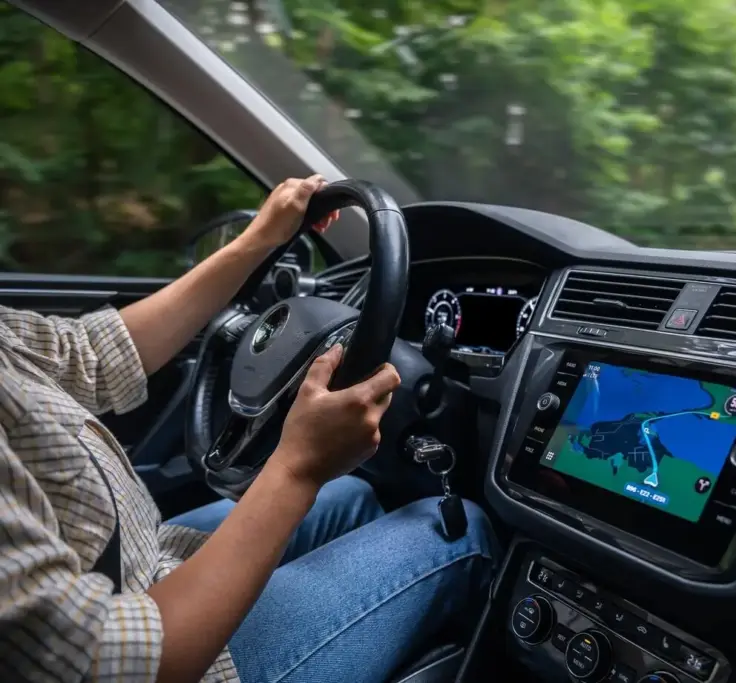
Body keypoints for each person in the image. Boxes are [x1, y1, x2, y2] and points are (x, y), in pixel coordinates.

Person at [0, 176, 498, 683]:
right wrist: (298, 468)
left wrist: (258, 239)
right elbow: (113, 664)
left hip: (141, 563)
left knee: (355, 495)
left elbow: (86, 355)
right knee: (463, 533)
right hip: (165, 653)